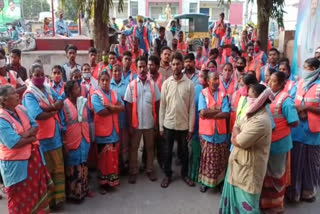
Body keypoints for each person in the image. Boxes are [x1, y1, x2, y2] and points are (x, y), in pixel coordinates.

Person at [219, 83, 273, 213]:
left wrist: (236, 135)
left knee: (247, 206)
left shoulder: (260, 121)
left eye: (250, 96)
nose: (247, 99)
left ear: (259, 99)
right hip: (238, 165)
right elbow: (236, 123)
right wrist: (236, 132)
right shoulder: (251, 112)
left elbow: (239, 141)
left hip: (248, 171)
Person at [0, 85, 53, 214]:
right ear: (4, 100)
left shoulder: (21, 108)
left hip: (33, 160)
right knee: (19, 201)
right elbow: (14, 142)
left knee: (36, 194)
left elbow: (35, 126)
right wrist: (31, 138)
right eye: (13, 93)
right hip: (16, 166)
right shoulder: (1, 119)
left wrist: (25, 134)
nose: (18, 94)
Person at [22, 63, 65, 209]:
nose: (40, 77)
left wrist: (50, 108)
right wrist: (54, 110)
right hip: (43, 139)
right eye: (36, 75)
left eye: (41, 75)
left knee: (58, 169)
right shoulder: (29, 94)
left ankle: (58, 201)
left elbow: (60, 101)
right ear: (30, 76)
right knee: (46, 172)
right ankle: (48, 203)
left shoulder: (47, 88)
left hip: (55, 136)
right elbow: (37, 115)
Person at [260, 72, 299, 213]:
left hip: (279, 144)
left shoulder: (286, 100)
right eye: (269, 80)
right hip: (267, 143)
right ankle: (266, 204)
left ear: (282, 83)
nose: (270, 83)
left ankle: (276, 206)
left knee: (276, 175)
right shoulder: (267, 95)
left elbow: (294, 121)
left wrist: (280, 126)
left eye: (274, 81)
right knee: (266, 176)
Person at [159, 52, 195, 188]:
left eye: (178, 64)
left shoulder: (189, 84)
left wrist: (191, 128)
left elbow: (191, 108)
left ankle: (185, 175)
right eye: (173, 64)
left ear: (182, 65)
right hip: (168, 124)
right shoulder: (166, 84)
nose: (175, 67)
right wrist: (161, 127)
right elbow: (162, 106)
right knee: (167, 152)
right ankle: (168, 175)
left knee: (184, 152)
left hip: (183, 124)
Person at [287, 58, 320, 203]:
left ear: (314, 69)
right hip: (297, 130)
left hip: (313, 132)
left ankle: (309, 193)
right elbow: (291, 99)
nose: (304, 70)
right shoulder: (299, 83)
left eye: (306, 68)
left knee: (311, 164)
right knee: (296, 162)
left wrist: (307, 108)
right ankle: (294, 193)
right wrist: (298, 110)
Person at [124, 56, 160, 183]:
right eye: (140, 67)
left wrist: (156, 123)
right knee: (133, 148)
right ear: (136, 68)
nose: (142, 69)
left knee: (150, 147)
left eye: (144, 66)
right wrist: (129, 125)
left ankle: (149, 169)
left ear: (147, 67)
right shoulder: (132, 85)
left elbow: (157, 104)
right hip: (136, 123)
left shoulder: (153, 85)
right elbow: (128, 106)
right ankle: (133, 171)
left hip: (149, 123)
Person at [91, 71, 124, 194]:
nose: (105, 82)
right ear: (99, 82)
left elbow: (122, 107)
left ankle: (112, 181)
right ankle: (103, 184)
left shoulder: (114, 93)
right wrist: (115, 108)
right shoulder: (95, 95)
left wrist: (111, 107)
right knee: (103, 159)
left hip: (114, 131)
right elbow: (100, 112)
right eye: (102, 80)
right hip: (102, 133)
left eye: (107, 80)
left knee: (113, 157)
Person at [198, 70, 230, 193]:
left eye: (218, 79)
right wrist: (218, 110)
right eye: (214, 79)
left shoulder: (223, 94)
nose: (217, 81)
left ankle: (220, 182)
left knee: (221, 160)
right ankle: (205, 182)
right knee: (207, 159)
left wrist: (210, 111)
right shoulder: (203, 94)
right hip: (207, 134)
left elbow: (226, 114)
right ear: (208, 81)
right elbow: (202, 112)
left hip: (221, 133)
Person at [61, 80, 92, 202]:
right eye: (76, 88)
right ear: (69, 92)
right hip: (71, 141)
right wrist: (64, 145)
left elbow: (88, 120)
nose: (79, 90)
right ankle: (74, 194)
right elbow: (62, 126)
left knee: (83, 166)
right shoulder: (63, 105)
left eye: (79, 87)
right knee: (73, 168)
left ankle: (84, 191)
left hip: (84, 139)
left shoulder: (83, 103)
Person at [189, 68, 208, 184]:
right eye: (199, 76)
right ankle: (194, 174)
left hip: (204, 128)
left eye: (201, 76)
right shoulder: (196, 89)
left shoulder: (209, 92)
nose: (199, 78)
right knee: (196, 153)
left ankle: (197, 175)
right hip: (196, 126)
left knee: (201, 154)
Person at [110, 64, 130, 174]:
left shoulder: (127, 85)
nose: (117, 73)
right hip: (112, 122)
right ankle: (115, 167)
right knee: (115, 145)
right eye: (115, 71)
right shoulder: (109, 85)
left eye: (119, 71)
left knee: (124, 144)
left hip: (124, 120)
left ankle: (124, 165)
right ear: (111, 72)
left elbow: (128, 103)